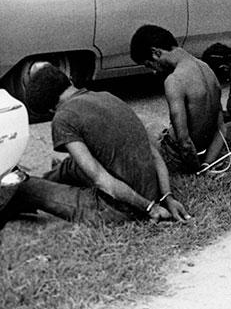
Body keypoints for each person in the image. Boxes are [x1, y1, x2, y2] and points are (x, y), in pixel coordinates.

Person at [0, 63, 191, 226]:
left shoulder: (63, 117)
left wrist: (150, 208)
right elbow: (154, 155)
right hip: (151, 192)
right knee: (70, 166)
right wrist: (167, 197)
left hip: (116, 209)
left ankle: (25, 198)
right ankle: (46, 185)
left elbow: (101, 180)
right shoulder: (108, 96)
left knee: (23, 186)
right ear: (70, 81)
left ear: (50, 109)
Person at [130, 24, 226, 173]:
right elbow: (221, 129)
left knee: (137, 124)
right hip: (204, 151)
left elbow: (184, 142)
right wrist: (207, 164)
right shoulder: (207, 68)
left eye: (150, 65)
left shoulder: (175, 80)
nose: (154, 71)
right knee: (153, 126)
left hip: (175, 157)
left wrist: (197, 171)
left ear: (156, 52)